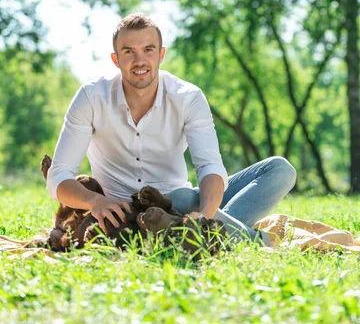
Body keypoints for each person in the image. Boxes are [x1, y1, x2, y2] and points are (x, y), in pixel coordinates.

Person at [46, 13, 296, 245]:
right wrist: (95, 200)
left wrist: (206, 215)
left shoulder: (187, 97)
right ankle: (253, 240)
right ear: (116, 59)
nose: (139, 60)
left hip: (182, 204)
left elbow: (209, 165)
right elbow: (59, 175)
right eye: (128, 51)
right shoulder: (91, 97)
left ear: (161, 54)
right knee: (183, 199)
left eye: (148, 50)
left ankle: (199, 231)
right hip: (126, 215)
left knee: (280, 169)